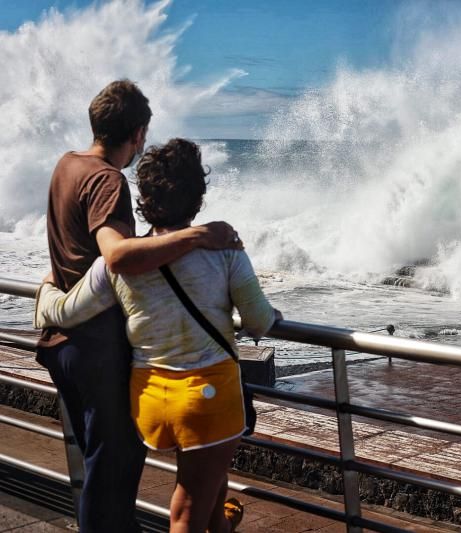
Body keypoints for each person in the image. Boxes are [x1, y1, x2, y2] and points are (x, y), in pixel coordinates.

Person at [36, 138, 280, 533]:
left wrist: (46, 290)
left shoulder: (119, 262)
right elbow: (258, 322)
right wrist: (274, 314)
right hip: (207, 398)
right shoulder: (224, 251)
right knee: (186, 512)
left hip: (150, 399)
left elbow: (66, 311)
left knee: (211, 491)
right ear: (197, 197)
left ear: (144, 199)